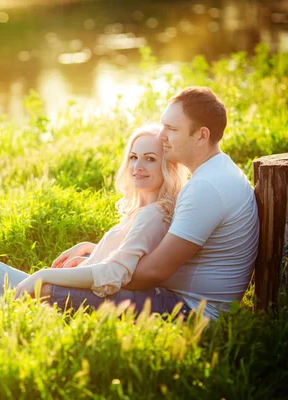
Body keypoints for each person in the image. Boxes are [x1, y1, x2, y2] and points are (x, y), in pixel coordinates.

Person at [0, 123, 192, 316]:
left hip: (72, 298)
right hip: (71, 291)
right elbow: (129, 256)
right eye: (133, 157)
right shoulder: (142, 211)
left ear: (167, 166)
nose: (137, 166)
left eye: (150, 159)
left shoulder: (153, 215)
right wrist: (91, 250)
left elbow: (113, 275)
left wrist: (46, 276)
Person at [98, 86, 259, 320]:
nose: (161, 136)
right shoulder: (217, 172)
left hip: (192, 311)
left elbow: (154, 270)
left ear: (202, 136)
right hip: (189, 300)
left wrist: (98, 272)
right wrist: (97, 257)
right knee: (74, 277)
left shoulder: (206, 187)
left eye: (171, 129)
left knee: (57, 291)